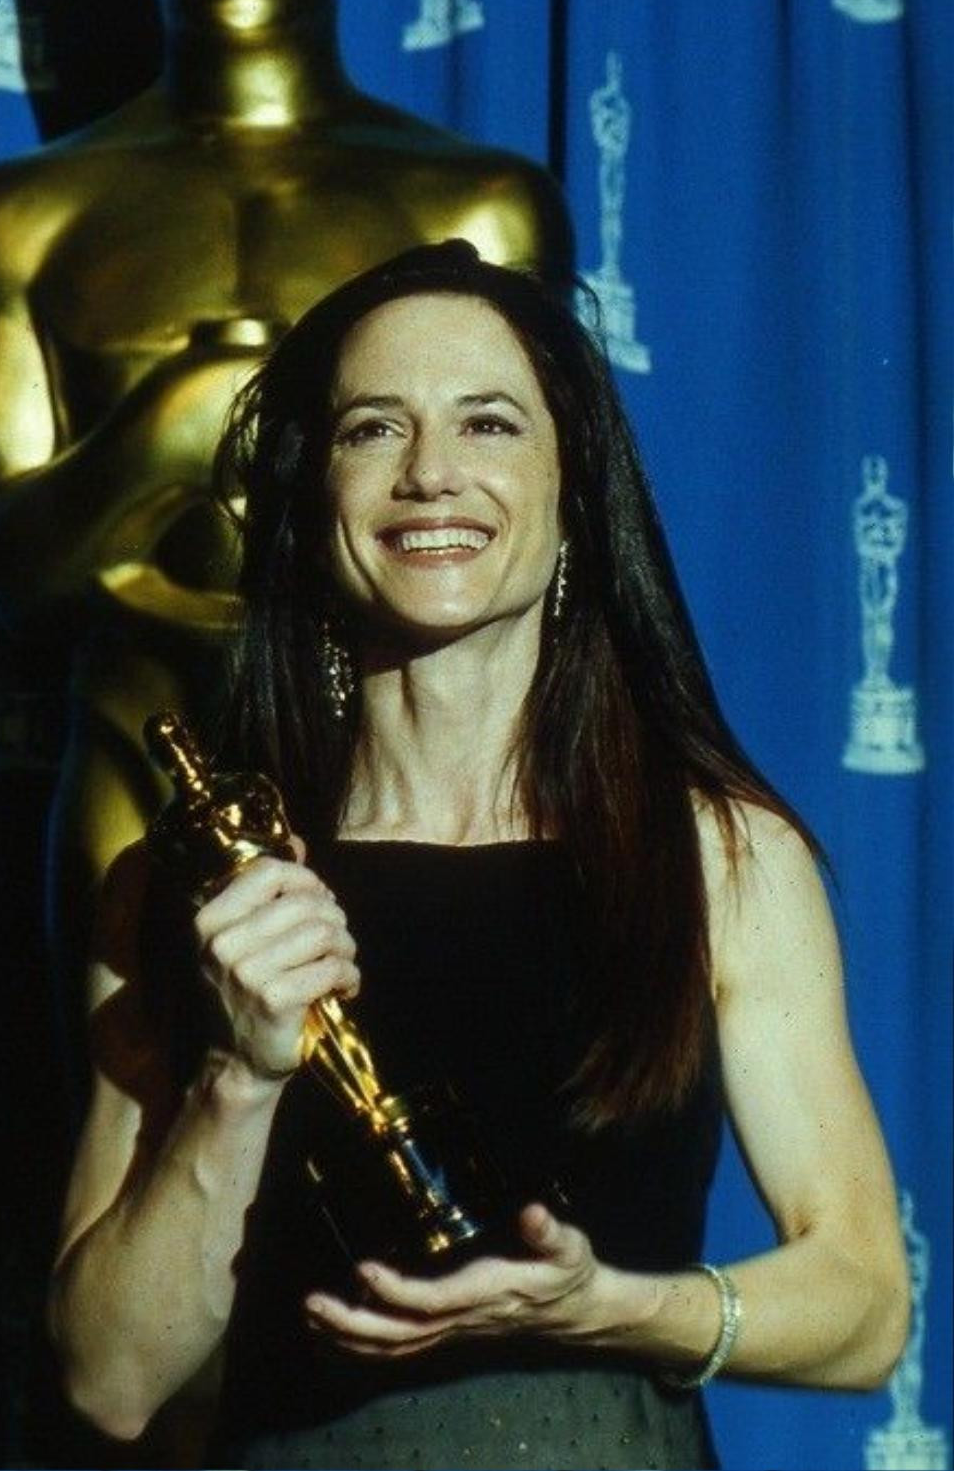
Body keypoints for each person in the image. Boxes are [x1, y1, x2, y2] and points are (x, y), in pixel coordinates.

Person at [47, 241, 908, 1471]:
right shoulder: (186, 889)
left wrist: (616, 1308)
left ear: (574, 488)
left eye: (489, 424)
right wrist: (239, 1077)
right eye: (372, 430)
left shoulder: (721, 854)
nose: (431, 475)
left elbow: (868, 1307)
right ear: (313, 494)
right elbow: (110, 1379)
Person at [0, 0, 569, 1007]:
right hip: (139, 752)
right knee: (138, 1167)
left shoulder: (480, 204)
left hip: (418, 763)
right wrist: (168, 428)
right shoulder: (26, 216)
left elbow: (546, 535)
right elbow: (18, 581)